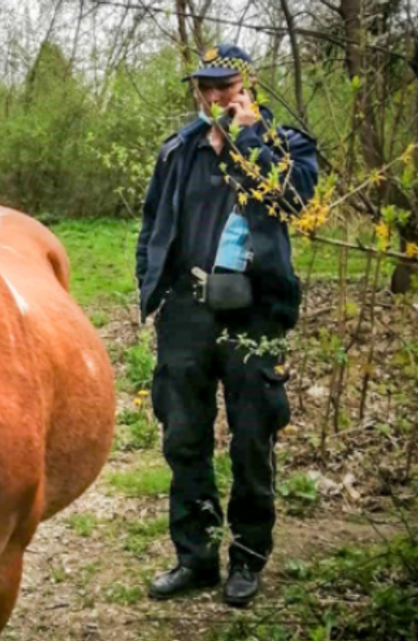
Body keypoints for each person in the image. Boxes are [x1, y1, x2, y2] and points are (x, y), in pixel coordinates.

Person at [137, 44, 318, 607]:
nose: (214, 97)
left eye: (226, 86)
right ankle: (195, 557)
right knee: (184, 441)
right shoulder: (178, 150)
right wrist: (153, 288)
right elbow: (152, 225)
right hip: (187, 315)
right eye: (205, 87)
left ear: (248, 86)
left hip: (254, 315)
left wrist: (244, 140)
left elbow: (293, 200)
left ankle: (247, 559)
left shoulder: (286, 147)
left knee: (251, 441)